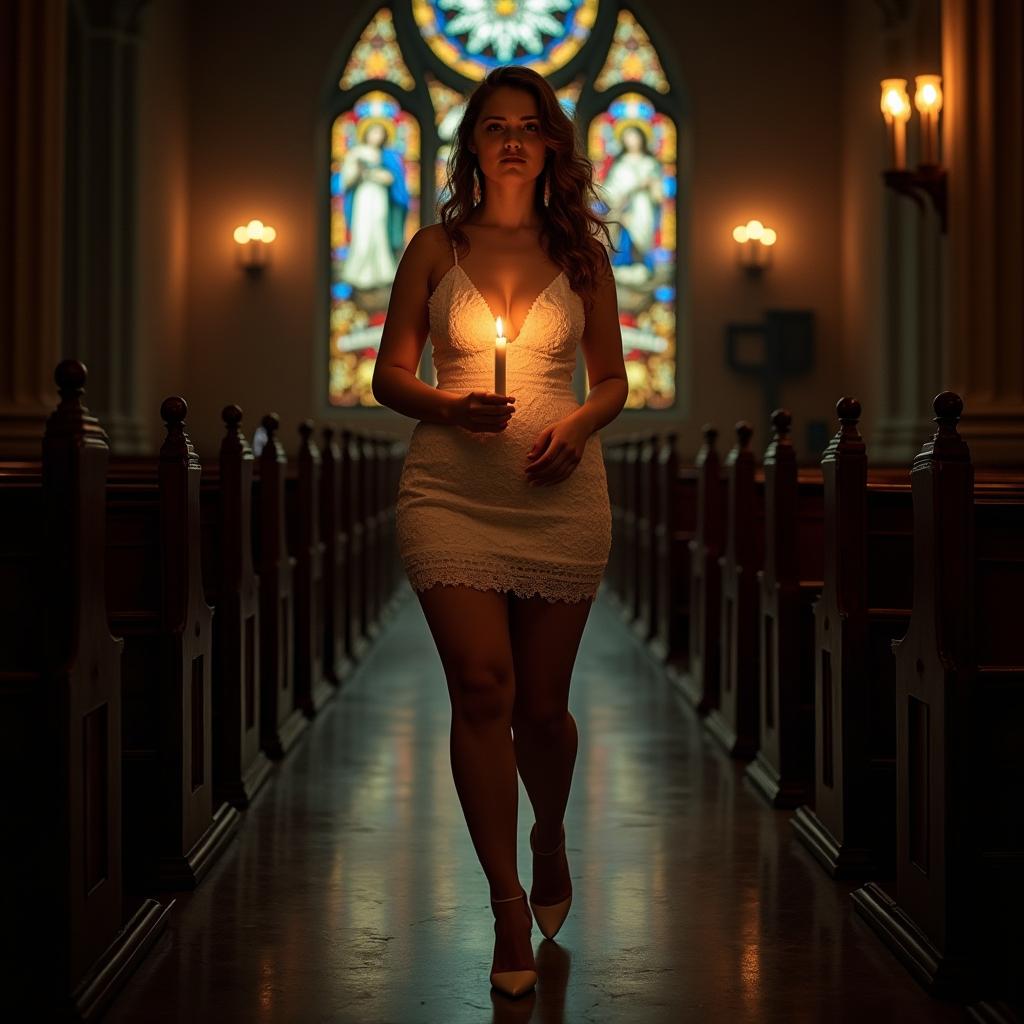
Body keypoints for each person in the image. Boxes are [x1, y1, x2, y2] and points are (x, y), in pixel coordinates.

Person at [371, 65, 628, 1000]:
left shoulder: (582, 254)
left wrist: (578, 426)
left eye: (528, 126)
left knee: (541, 710)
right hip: (451, 490)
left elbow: (612, 381)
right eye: (494, 127)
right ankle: (507, 902)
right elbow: (388, 374)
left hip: (560, 494)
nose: (512, 139)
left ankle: (549, 830)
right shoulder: (434, 248)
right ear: (472, 145)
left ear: (552, 143)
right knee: (482, 687)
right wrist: (446, 403)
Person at [340, 121, 409, 291]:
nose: (376, 136)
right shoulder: (356, 153)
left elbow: (395, 179)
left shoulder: (388, 155)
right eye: (373, 132)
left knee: (379, 230)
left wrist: (379, 175)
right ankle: (357, 274)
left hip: (380, 197)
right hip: (363, 197)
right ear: (366, 134)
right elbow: (346, 181)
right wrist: (359, 171)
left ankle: (382, 272)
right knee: (362, 231)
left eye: (380, 133)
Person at [602, 123, 663, 280]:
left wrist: (652, 186)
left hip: (643, 209)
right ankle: (623, 267)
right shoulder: (620, 165)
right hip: (623, 209)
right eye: (628, 137)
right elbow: (610, 190)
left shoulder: (650, 163)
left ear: (642, 138)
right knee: (624, 238)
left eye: (635, 136)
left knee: (642, 238)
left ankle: (644, 267)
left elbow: (659, 193)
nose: (632, 141)